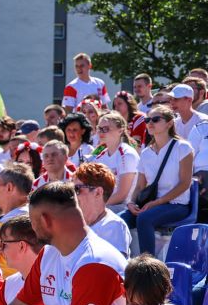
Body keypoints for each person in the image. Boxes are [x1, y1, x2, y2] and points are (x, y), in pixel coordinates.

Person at [122, 104, 195, 256]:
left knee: (144, 218)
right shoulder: (146, 152)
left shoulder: (183, 147)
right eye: (147, 119)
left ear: (169, 123)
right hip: (151, 204)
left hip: (177, 204)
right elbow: (140, 185)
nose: (149, 123)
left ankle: (148, 267)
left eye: (155, 119)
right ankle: (118, 264)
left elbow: (185, 183)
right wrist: (130, 202)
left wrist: (157, 203)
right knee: (118, 220)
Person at [75, 162, 131, 256]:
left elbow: (113, 267)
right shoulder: (73, 223)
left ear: (98, 192)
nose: (73, 194)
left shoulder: (114, 226)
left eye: (77, 189)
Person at [93, 112, 140, 210]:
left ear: (120, 131)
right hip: (106, 205)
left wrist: (97, 206)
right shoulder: (100, 156)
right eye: (99, 128)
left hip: (124, 206)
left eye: (106, 129)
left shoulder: (127, 155)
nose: (101, 132)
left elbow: (121, 195)